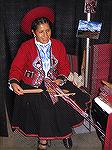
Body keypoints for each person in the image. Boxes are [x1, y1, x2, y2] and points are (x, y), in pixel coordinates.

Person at [8, 6, 90, 150]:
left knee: (64, 102)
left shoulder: (58, 45)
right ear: (33, 32)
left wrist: (59, 80)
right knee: (45, 108)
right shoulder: (26, 47)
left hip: (55, 81)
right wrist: (14, 82)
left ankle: (66, 134)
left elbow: (64, 67)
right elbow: (16, 68)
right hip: (33, 85)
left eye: (48, 31)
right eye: (41, 32)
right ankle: (43, 141)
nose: (45, 35)